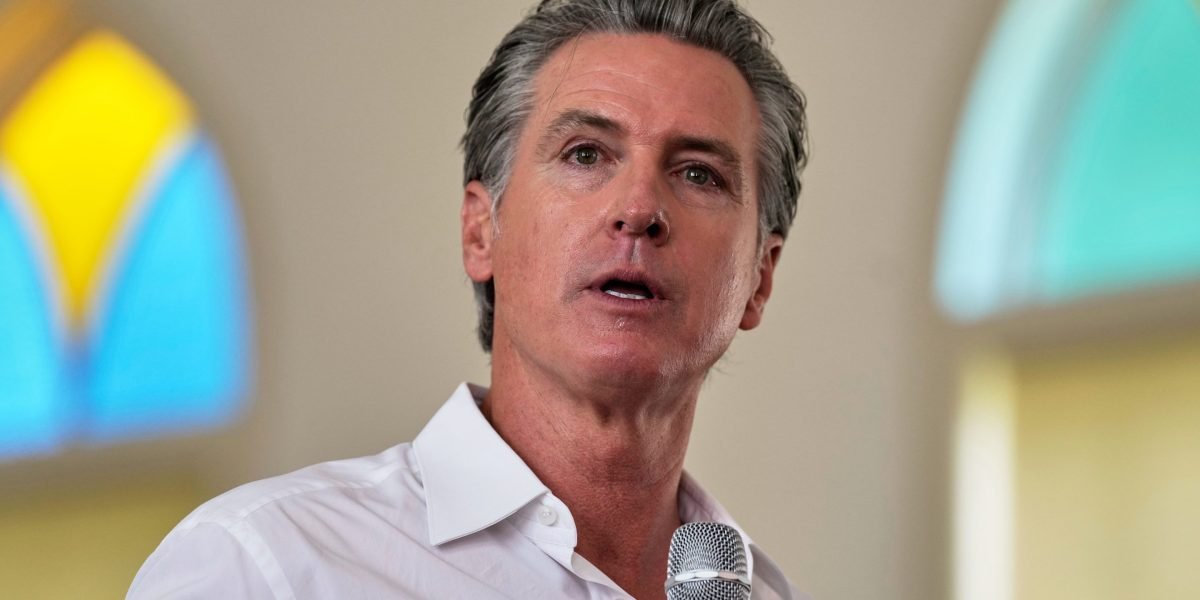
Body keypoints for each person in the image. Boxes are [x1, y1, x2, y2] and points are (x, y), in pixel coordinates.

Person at [128, 0, 808, 598]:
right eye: (585, 154)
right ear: (481, 232)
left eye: (698, 174)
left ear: (760, 277)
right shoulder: (264, 567)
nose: (638, 209)